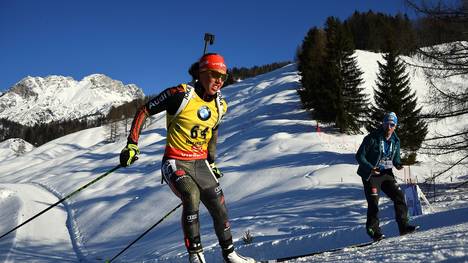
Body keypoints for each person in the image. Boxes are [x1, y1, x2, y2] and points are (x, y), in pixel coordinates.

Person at [120, 53, 255, 263]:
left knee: (219, 205)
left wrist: (211, 161)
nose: (219, 80)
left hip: (200, 163)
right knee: (191, 196)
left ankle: (229, 254)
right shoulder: (180, 94)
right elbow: (144, 110)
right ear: (201, 73)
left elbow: (213, 131)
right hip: (175, 161)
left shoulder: (220, 105)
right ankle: (196, 256)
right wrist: (132, 144)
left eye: (223, 76)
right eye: (214, 74)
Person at [356, 112, 417, 241]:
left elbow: (395, 159)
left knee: (399, 195)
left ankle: (404, 226)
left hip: (386, 174)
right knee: (374, 202)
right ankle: (373, 230)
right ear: (382, 124)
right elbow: (359, 156)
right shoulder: (372, 138)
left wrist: (398, 164)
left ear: (395, 126)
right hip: (371, 175)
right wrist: (370, 167)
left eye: (392, 124)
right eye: (386, 124)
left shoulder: (396, 140)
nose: (389, 127)